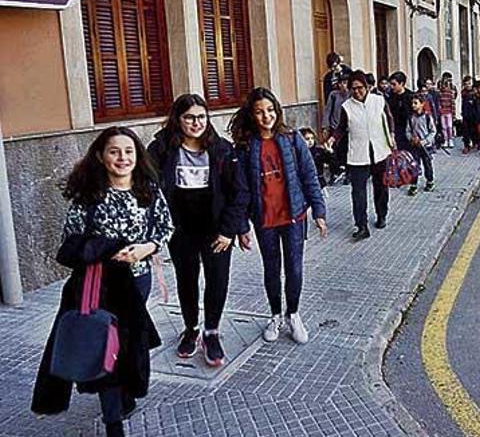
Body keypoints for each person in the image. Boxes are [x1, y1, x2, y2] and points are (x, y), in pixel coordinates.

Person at [32, 127, 174, 437]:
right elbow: (68, 243)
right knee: (103, 342)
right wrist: (105, 250)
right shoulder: (90, 194)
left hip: (137, 283)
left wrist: (146, 248)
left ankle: (123, 393)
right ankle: (113, 422)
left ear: (137, 156)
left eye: (128, 151)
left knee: (126, 344)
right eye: (114, 151)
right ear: (101, 155)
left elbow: (165, 227)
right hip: (98, 285)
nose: (122, 158)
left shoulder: (147, 189)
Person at [147, 94, 249, 366]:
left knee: (217, 280)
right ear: (177, 120)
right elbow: (148, 188)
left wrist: (230, 231)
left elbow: (239, 193)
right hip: (181, 230)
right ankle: (191, 328)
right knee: (187, 279)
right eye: (189, 117)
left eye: (201, 117)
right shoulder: (161, 149)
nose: (196, 123)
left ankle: (211, 331)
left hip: (216, 230)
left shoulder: (222, 150)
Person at [229, 87, 328, 344]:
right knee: (271, 269)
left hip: (294, 217)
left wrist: (319, 211)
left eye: (270, 110)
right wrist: (241, 227)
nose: (266, 116)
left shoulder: (292, 139)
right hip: (265, 220)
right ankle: (275, 315)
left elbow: (309, 176)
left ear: (278, 111)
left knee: (294, 269)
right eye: (260, 112)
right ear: (252, 115)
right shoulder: (245, 147)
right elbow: (240, 190)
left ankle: (293, 314)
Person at [328, 70, 395, 240]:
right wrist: (332, 139)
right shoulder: (347, 107)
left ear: (366, 87)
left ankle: (381, 215)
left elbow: (388, 118)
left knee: (381, 188)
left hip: (380, 152)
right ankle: (362, 226)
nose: (357, 92)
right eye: (353, 89)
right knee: (358, 192)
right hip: (357, 154)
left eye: (360, 88)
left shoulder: (378, 101)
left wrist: (392, 136)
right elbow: (341, 128)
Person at [406, 94, 437, 195]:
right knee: (414, 165)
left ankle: (430, 181)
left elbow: (433, 131)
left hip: (426, 146)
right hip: (415, 146)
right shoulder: (411, 118)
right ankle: (413, 184)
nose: (413, 105)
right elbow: (408, 131)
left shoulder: (428, 117)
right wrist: (411, 138)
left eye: (416, 103)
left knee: (427, 164)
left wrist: (424, 141)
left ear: (422, 104)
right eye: (412, 103)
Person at [388, 71, 416, 151]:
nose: (391, 87)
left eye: (394, 84)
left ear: (401, 83)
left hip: (409, 130)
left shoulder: (410, 96)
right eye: (391, 84)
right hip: (396, 130)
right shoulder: (390, 97)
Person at [460, 76, 480, 154]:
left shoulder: (475, 93)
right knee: (465, 131)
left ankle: (477, 142)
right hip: (465, 115)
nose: (468, 85)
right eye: (466, 84)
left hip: (474, 115)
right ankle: (466, 146)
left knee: (475, 130)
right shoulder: (464, 92)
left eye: (469, 83)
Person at [438, 72, 457, 149]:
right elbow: (439, 102)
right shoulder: (440, 93)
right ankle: (445, 140)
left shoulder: (451, 90)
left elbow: (453, 102)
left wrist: (454, 113)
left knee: (449, 126)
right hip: (443, 111)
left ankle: (450, 139)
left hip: (449, 111)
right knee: (444, 127)